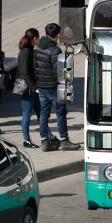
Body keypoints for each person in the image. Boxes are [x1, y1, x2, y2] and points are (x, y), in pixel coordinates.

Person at [35, 23, 80, 151]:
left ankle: (45, 141)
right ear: (57, 35)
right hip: (54, 87)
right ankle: (64, 140)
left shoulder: (38, 48)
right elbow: (58, 71)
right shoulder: (55, 50)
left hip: (42, 86)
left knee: (44, 114)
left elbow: (35, 67)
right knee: (60, 114)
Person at [17, 28, 41, 149]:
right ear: (34, 39)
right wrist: (34, 87)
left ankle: (47, 136)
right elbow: (25, 73)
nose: (39, 40)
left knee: (41, 112)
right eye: (38, 38)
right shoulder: (26, 52)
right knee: (27, 114)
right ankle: (26, 140)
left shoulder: (29, 50)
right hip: (28, 88)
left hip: (32, 87)